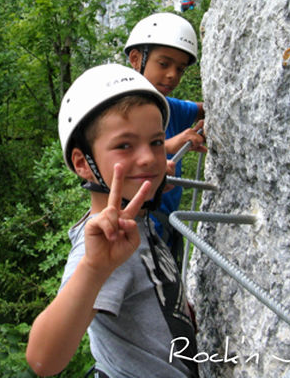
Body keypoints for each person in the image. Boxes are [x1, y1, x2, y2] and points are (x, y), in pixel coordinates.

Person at [25, 64, 199, 378]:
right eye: (124, 146)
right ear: (83, 163)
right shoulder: (102, 250)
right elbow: (43, 361)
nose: (147, 158)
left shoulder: (138, 222)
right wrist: (94, 269)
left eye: (156, 142)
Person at [124, 13, 206, 260]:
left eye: (180, 68)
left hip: (164, 233)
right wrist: (169, 145)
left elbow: (205, 107)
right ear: (137, 59)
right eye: (164, 64)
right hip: (133, 234)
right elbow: (117, 157)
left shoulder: (171, 108)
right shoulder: (118, 109)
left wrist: (207, 121)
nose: (172, 75)